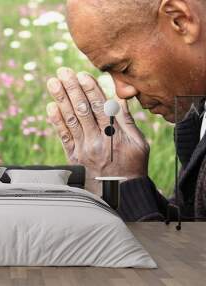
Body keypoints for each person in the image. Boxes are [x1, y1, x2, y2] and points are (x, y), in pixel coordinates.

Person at [46, 0, 206, 221]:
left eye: (124, 68)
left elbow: (185, 256)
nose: (123, 92)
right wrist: (125, 190)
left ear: (179, 20)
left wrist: (121, 186)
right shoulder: (197, 112)